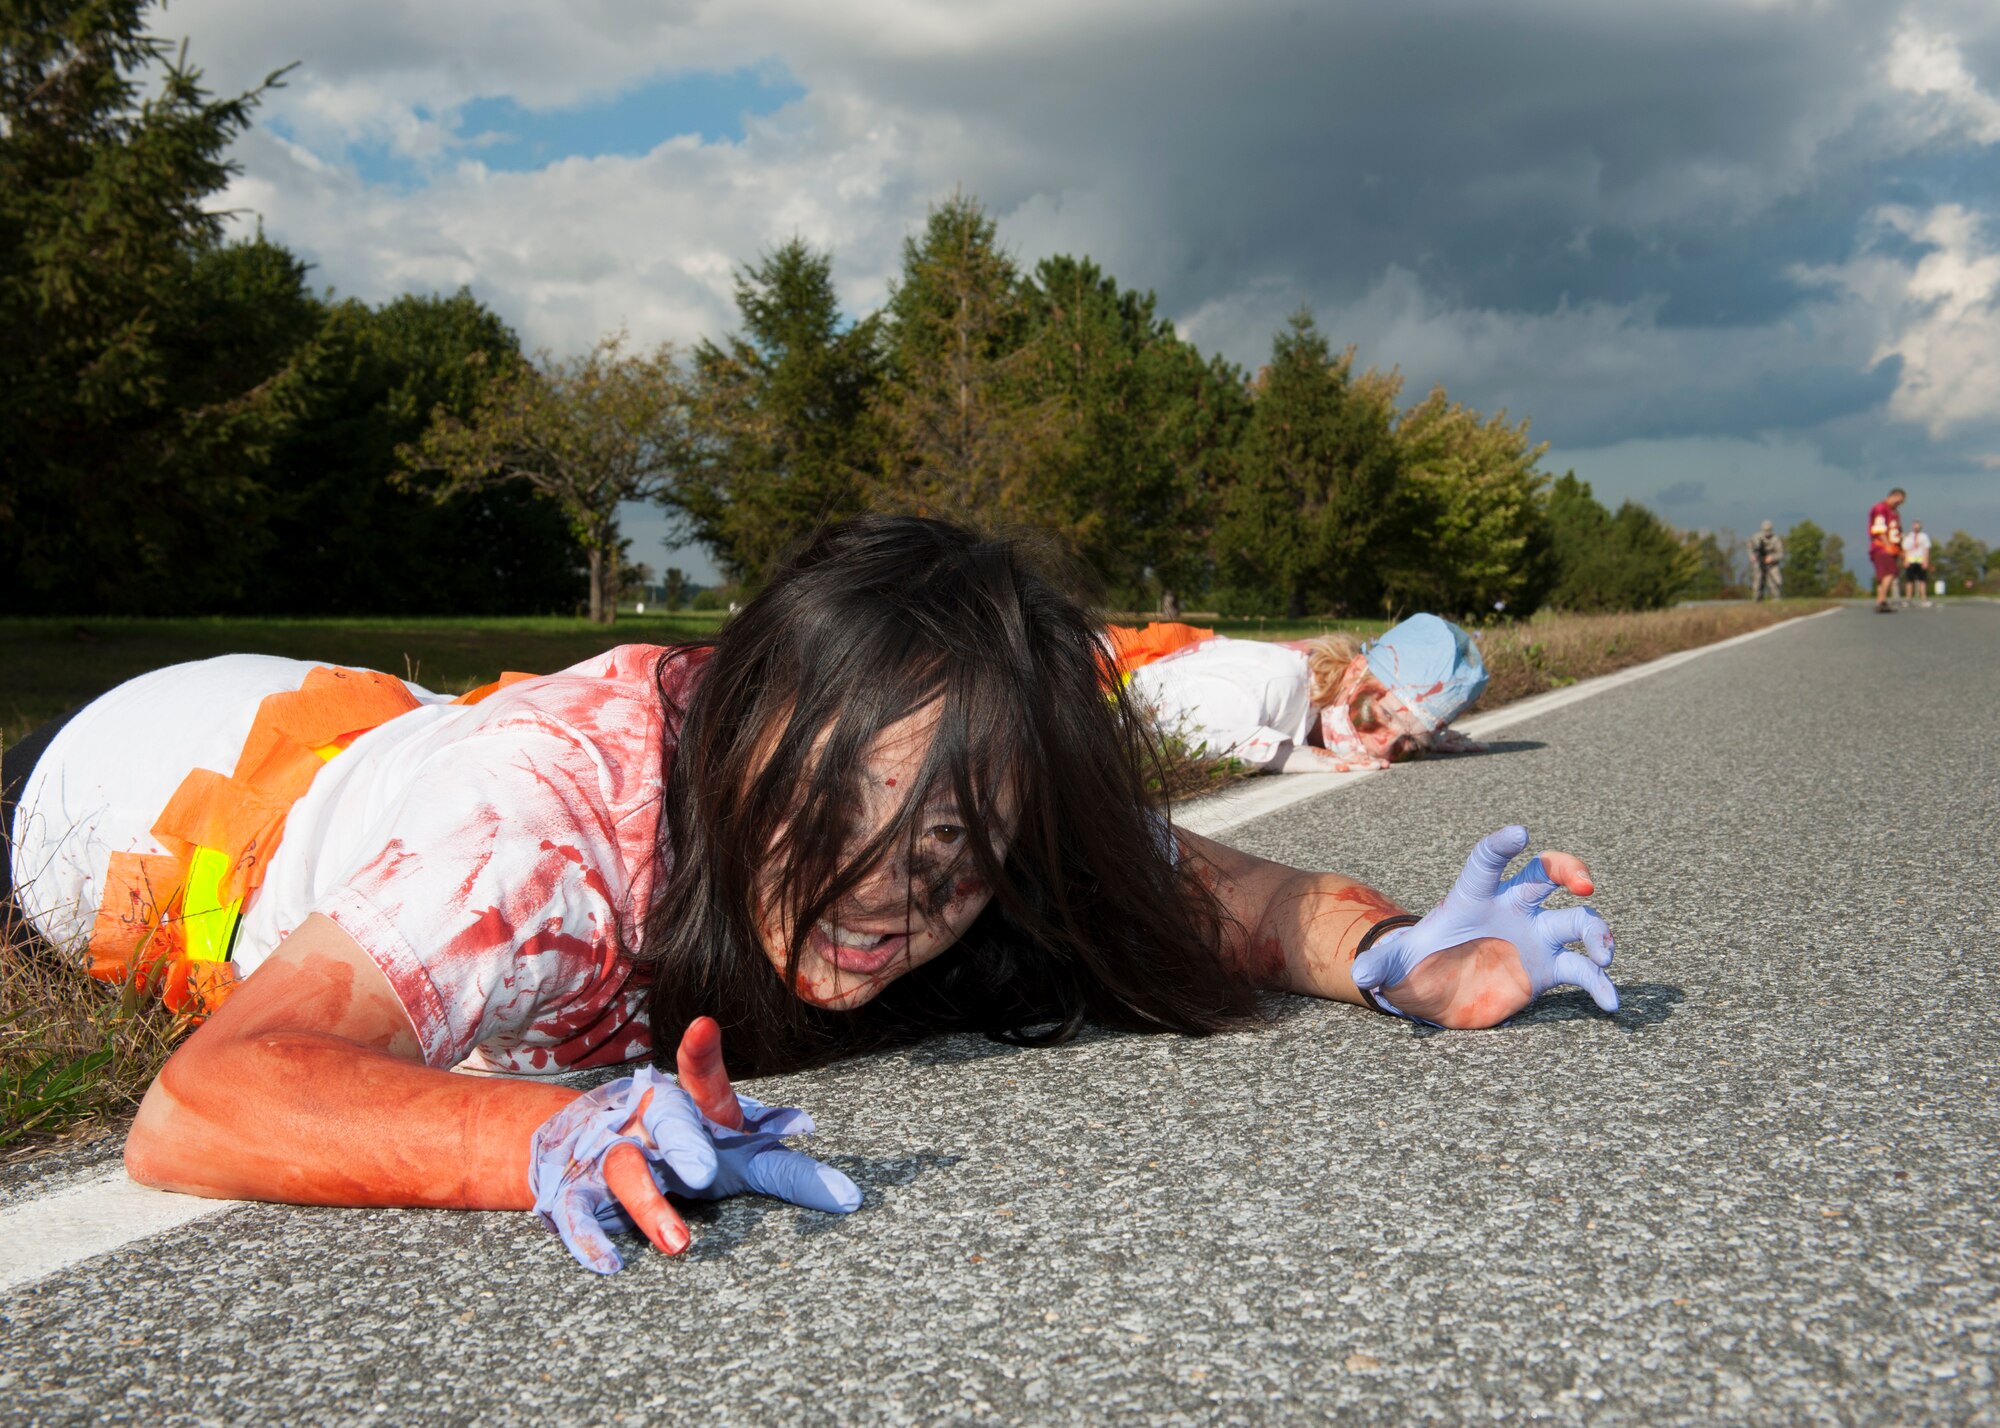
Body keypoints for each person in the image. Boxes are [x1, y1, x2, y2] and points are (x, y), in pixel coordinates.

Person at [2, 517, 1618, 1276]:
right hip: (151, 771)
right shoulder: (542, 846)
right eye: (836, 808)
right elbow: (201, 1105)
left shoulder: (956, 792)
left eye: (948, 845)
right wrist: (553, 1128)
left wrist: (1408, 950)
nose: (877, 891)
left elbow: (1227, 896)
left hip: (390, 734)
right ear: (748, 720)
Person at [1115, 615, 1488, 774]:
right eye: (1385, 715)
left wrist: (1426, 740)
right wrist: (1294, 757)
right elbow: (1187, 731)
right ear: (1357, 669)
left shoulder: (1324, 694)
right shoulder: (1275, 682)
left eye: (1408, 742)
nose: (1385, 743)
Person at [1868, 488, 1906, 613]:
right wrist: (1887, 545)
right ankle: (1881, 600)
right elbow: (1880, 529)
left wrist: (1901, 549)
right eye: (1898, 501)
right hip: (1882, 548)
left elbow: (1897, 532)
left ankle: (1881, 601)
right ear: (1893, 496)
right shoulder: (1880, 508)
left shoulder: (1894, 512)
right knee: (1890, 572)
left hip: (1893, 547)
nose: (1898, 504)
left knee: (1883, 576)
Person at [1747, 522, 1784, 602]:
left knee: (1774, 581)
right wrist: (1752, 556)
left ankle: (1776, 598)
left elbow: (1781, 554)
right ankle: (1757, 599)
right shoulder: (1756, 537)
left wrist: (1772, 558)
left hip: (1772, 563)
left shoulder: (1776, 540)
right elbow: (1750, 548)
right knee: (1758, 580)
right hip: (1759, 561)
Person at [1901, 519, 1933, 608]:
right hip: (1910, 560)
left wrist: (1926, 561)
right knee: (1909, 581)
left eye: (1918, 525)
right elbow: (1905, 549)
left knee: (1922, 580)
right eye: (1915, 525)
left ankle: (1924, 599)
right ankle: (1908, 599)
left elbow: (1926, 549)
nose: (1916, 527)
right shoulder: (1908, 536)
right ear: (1912, 526)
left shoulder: (1924, 536)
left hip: (1920, 560)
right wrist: (1905, 560)